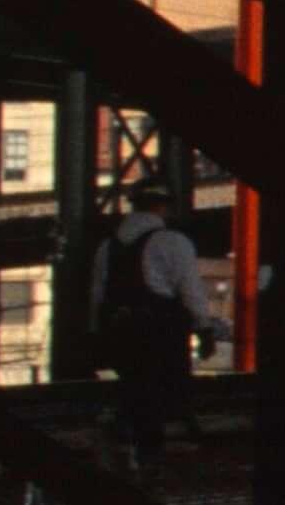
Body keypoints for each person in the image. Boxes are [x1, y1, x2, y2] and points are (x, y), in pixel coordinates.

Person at [87, 179, 221, 469]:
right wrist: (204, 327)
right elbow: (190, 288)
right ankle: (155, 454)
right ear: (163, 206)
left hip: (121, 331)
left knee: (134, 390)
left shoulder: (107, 247)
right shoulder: (172, 242)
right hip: (160, 331)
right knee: (165, 393)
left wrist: (98, 335)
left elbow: (98, 295)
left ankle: (133, 446)